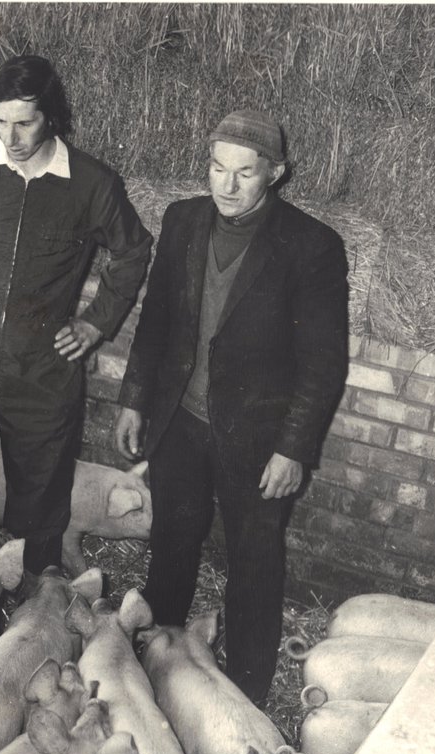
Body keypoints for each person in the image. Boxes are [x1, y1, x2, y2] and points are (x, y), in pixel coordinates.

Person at [115, 109, 349, 702]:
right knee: (171, 541)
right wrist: (136, 400)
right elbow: (157, 321)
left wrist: (293, 448)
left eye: (245, 173)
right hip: (181, 425)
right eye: (218, 168)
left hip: (258, 441)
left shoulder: (311, 246)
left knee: (253, 563)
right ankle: (156, 657)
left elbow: (323, 364)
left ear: (276, 173)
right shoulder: (182, 220)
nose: (227, 185)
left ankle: (245, 689)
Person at [0, 54, 152, 576]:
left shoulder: (91, 183)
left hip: (42, 372)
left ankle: (28, 617)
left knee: (39, 506)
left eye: (25, 122)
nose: (11, 137)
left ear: (52, 117)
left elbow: (133, 251)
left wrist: (95, 322)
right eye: (0, 121)